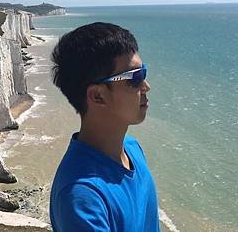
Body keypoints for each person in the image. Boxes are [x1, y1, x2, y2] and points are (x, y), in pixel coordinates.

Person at [49, 22, 160, 231]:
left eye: (143, 72)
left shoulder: (132, 148)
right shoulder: (83, 197)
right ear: (98, 95)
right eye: (135, 78)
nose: (146, 86)